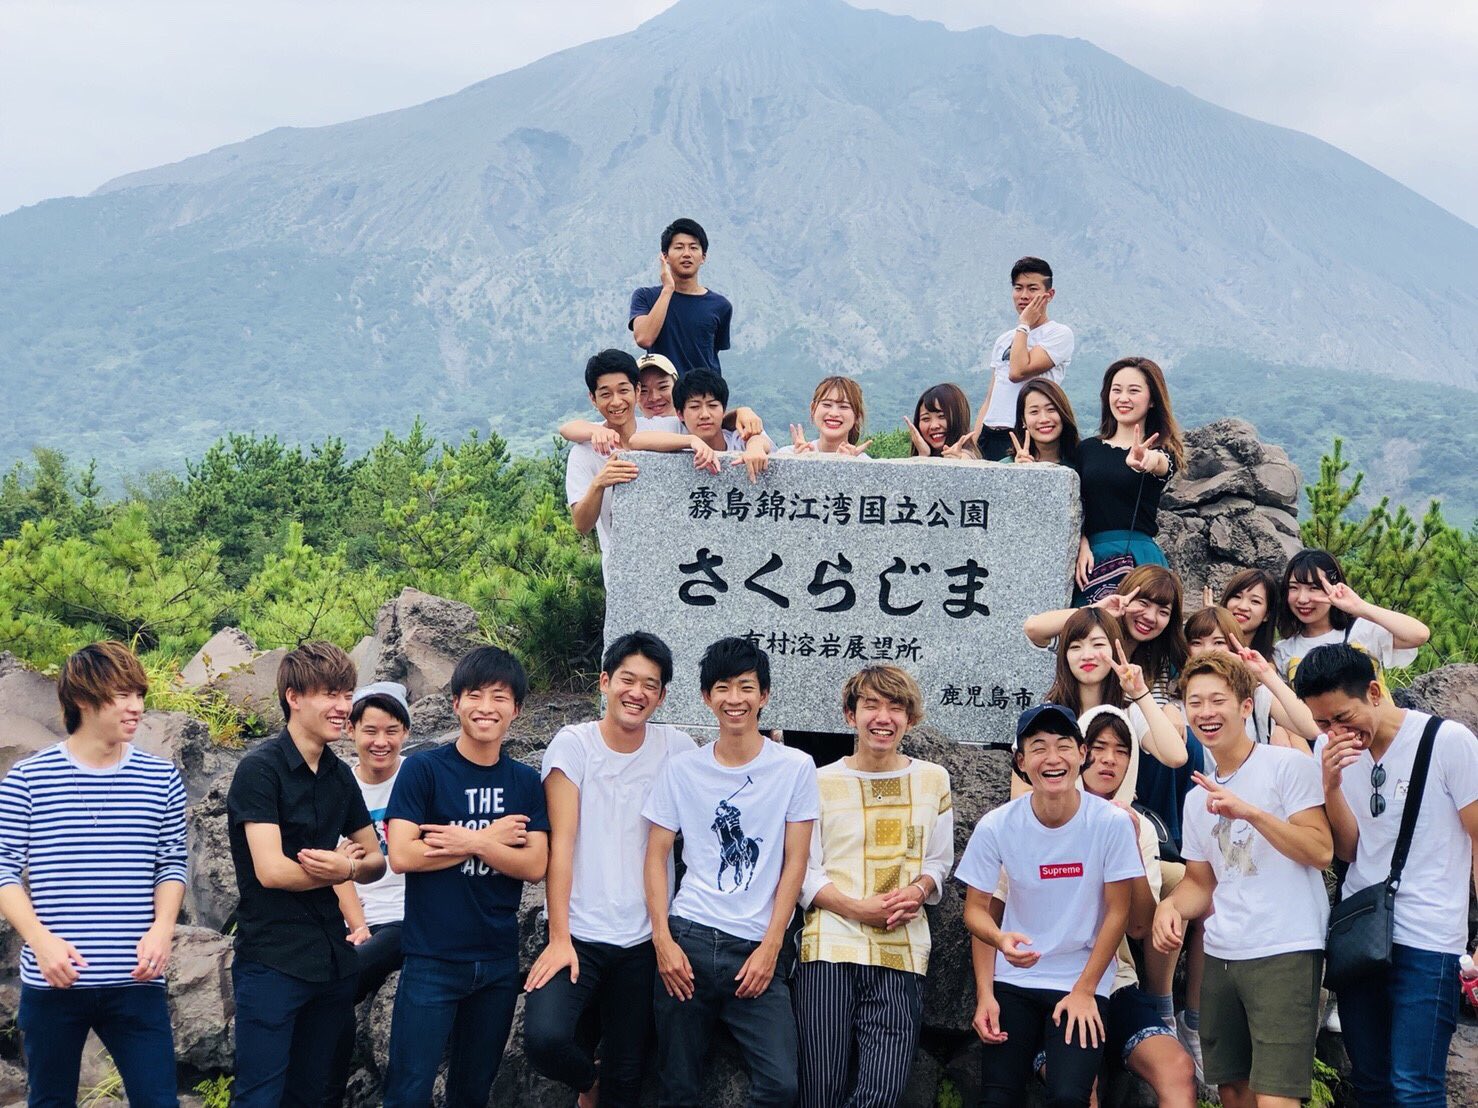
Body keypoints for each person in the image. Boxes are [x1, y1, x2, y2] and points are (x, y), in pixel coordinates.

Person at [0, 642, 187, 1108]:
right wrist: (40, 941)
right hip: (54, 981)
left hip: (137, 980)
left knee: (159, 1101)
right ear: (83, 699)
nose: (136, 706)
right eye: (123, 695)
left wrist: (163, 930)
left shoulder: (160, 777)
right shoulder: (27, 778)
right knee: (50, 1101)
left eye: (139, 694)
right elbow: (2, 869)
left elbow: (171, 863)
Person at [1296, 644, 1478, 1107]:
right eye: (1321, 724)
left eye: (1341, 717)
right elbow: (1352, 849)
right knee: (1371, 1083)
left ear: (1374, 692)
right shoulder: (1330, 750)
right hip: (1363, 933)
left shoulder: (1448, 741)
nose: (1334, 732)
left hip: (1430, 938)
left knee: (1414, 1086)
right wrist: (1331, 787)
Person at [989, 705, 1197, 1108]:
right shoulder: (1020, 822)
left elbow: (1139, 927)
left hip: (1112, 981)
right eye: (1099, 746)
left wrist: (1131, 843)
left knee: (1178, 1069)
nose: (1109, 759)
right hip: (1042, 988)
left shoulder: (1135, 827)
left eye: (1122, 750)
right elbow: (987, 910)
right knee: (1080, 1089)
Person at [642, 638, 819, 1108]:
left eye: (746, 687)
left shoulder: (795, 768)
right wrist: (663, 941)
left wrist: (771, 946)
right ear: (706, 697)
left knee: (780, 1086)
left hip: (756, 951)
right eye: (723, 688)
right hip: (689, 942)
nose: (734, 699)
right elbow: (657, 854)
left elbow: (795, 861)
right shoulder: (682, 770)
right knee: (677, 1087)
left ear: (764, 696)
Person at [523, 633, 697, 1108]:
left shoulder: (676, 747)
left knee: (628, 1075)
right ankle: (586, 1083)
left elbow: (724, 780)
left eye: (650, 684)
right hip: (579, 933)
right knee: (545, 1038)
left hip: (643, 942)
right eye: (627, 679)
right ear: (605, 681)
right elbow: (563, 845)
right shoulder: (573, 745)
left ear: (661, 696)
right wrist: (560, 937)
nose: (637, 692)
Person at [1152, 652, 1332, 1108]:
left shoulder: (1287, 767)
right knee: (1232, 1089)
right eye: (1195, 702)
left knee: (1275, 1096)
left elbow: (1320, 851)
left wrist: (1250, 811)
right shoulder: (1197, 798)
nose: (1206, 713)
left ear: (1246, 706)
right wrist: (1170, 907)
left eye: (1218, 700)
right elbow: (1200, 881)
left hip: (1284, 948)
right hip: (1221, 953)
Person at [381, 647, 550, 1107]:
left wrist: (471, 843)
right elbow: (402, 855)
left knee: (472, 1093)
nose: (486, 707)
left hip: (496, 963)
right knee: (407, 1091)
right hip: (431, 959)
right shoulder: (423, 770)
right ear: (456, 703)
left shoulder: (524, 782)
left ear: (516, 709)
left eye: (500, 697)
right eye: (474, 695)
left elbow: (536, 865)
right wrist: (494, 840)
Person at [226, 642, 387, 1108]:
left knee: (316, 1096)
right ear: (294, 697)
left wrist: (350, 866)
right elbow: (271, 870)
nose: (343, 707)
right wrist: (337, 871)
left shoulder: (339, 776)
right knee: (259, 1097)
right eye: (330, 694)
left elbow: (376, 861)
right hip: (272, 962)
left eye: (347, 694)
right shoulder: (261, 770)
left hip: (333, 963)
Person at [958, 703, 1142, 1108]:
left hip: (1080, 976)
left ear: (1081, 754)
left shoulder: (1109, 823)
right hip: (1014, 980)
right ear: (1021, 762)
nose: (1052, 758)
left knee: (1069, 1095)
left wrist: (1086, 991)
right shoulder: (997, 825)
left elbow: (1118, 912)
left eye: (1063, 745)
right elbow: (975, 911)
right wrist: (987, 989)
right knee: (997, 1096)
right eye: (1038, 747)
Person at [795, 666, 953, 1108]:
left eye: (895, 707)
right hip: (829, 947)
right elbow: (804, 871)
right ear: (850, 715)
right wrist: (855, 908)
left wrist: (920, 889)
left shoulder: (933, 780)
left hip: (900, 948)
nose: (883, 717)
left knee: (881, 1091)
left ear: (911, 718)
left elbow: (939, 860)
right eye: (871, 705)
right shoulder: (818, 780)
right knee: (819, 1088)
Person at [328, 682, 413, 1108]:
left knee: (342, 980)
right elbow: (335, 866)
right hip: (352, 916)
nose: (381, 742)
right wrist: (357, 923)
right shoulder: (337, 783)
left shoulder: (418, 778)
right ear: (351, 730)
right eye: (370, 730)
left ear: (406, 733)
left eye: (392, 731)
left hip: (406, 916)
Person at [1073, 357, 1185, 604]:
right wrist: (1080, 544)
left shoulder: (1164, 450)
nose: (1123, 398)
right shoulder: (1086, 449)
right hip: (1090, 560)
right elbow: (1073, 506)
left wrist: (1146, 459)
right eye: (1116, 390)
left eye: (1134, 391)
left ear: (1153, 399)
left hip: (1139, 558)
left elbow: (1161, 464)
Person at [1274, 548, 1430, 692]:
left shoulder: (1362, 631)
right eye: (1293, 588)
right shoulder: (1284, 651)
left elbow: (1419, 635)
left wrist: (1359, 607)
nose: (1302, 599)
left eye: (1314, 588)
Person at [972, 257, 1075, 461]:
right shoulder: (1004, 339)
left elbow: (1017, 372)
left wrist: (1024, 324)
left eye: (1032, 289)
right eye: (1018, 288)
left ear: (1049, 294)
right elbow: (991, 397)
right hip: (989, 434)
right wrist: (974, 442)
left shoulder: (1059, 334)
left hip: (1023, 434)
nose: (1024, 296)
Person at [1185, 606, 1314, 750]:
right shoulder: (1180, 699)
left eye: (1219, 642)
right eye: (1196, 643)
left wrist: (1264, 674)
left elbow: (1312, 728)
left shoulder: (1256, 693)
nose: (1207, 650)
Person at [628, 368, 772, 482]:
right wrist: (691, 440)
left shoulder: (738, 436)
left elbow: (759, 440)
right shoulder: (675, 429)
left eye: (712, 405)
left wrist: (755, 447)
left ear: (724, 410)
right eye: (695, 407)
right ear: (679, 414)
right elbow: (635, 440)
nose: (705, 414)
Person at [629, 218, 733, 375]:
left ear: (703, 256)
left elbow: (711, 354)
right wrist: (668, 289)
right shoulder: (646, 297)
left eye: (693, 248)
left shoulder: (720, 306)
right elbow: (644, 338)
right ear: (665, 256)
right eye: (679, 247)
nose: (686, 254)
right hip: (663, 395)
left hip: (702, 394)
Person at [777, 376, 872, 457]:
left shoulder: (866, 465)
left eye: (844, 406)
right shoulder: (788, 455)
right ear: (813, 408)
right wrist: (800, 464)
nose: (833, 413)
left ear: (857, 416)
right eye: (827, 405)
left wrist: (849, 467)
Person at [1005, 378, 1081, 467]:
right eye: (1034, 411)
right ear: (1023, 420)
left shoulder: (1085, 464)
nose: (1044, 419)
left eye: (1051, 409)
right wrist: (1019, 473)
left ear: (1063, 413)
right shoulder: (1005, 467)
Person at [1216, 568, 1281, 660]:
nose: (1242, 607)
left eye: (1255, 601)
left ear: (1267, 614)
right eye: (1237, 596)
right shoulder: (1206, 647)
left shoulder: (1274, 662)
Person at [904, 383, 977, 458]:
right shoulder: (923, 454)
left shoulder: (966, 455)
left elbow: (967, 458)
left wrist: (957, 460)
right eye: (926, 419)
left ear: (958, 418)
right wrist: (923, 455)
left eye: (942, 416)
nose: (934, 426)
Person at [637, 353, 680, 418]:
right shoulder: (629, 428)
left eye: (663, 387)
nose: (654, 398)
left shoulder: (696, 426)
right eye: (643, 391)